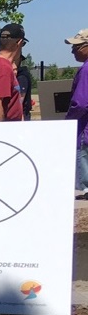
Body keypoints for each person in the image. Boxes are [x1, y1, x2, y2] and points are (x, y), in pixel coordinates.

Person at [65, 29, 88, 195]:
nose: (73, 51)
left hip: (84, 132)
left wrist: (67, 122)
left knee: (84, 189)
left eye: (77, 47)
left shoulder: (86, 70)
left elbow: (80, 104)